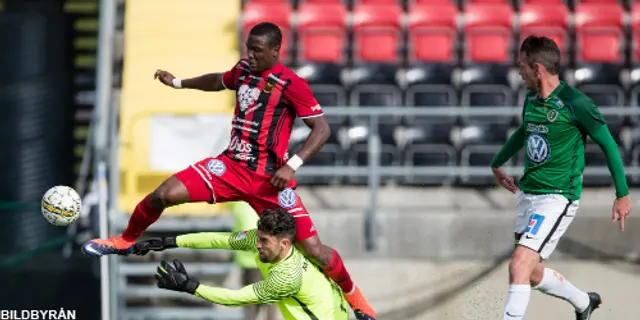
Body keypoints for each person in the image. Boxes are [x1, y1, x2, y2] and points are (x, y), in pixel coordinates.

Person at [81, 22, 376, 319]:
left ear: (275, 51)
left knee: (316, 251)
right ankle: (126, 240)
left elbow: (322, 129)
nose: (250, 55)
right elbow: (219, 80)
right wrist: (178, 83)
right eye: (248, 48)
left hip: (269, 181)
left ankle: (358, 301)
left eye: (257, 51)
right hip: (230, 167)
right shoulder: (244, 70)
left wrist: (292, 164)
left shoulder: (292, 84)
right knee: (164, 194)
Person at [490, 35, 632, 320]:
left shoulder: (576, 103)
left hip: (557, 197)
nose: (519, 71)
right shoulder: (531, 100)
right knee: (530, 273)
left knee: (518, 264)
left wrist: (622, 194)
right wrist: (497, 163)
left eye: (522, 65)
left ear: (537, 68)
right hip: (527, 194)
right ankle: (583, 302)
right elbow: (524, 132)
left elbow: (608, 144)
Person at [135, 208, 351, 320]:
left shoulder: (287, 277)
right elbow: (219, 239)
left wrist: (190, 286)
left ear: (284, 244)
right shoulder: (262, 240)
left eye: (264, 242)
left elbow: (235, 298)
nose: (256, 245)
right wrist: (170, 242)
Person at [229, 201, 278, 320]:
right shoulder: (249, 203)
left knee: (254, 304)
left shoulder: (242, 203)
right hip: (258, 260)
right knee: (266, 302)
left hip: (254, 260)